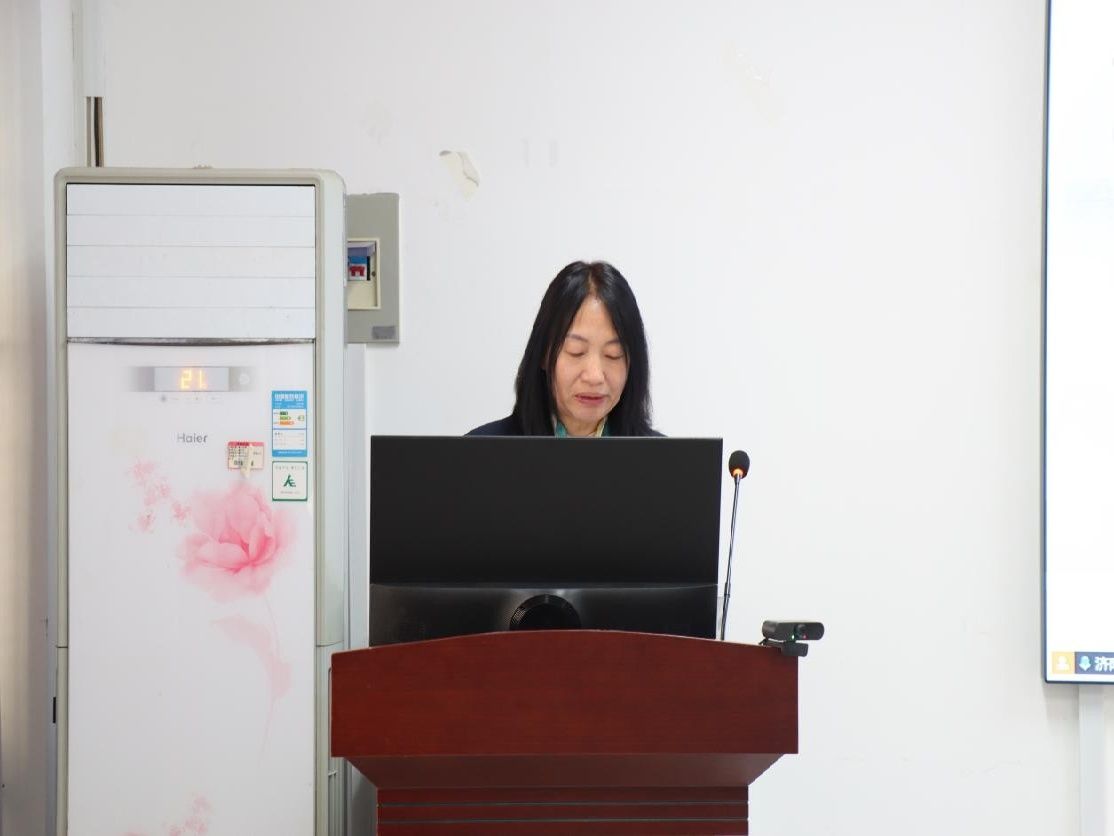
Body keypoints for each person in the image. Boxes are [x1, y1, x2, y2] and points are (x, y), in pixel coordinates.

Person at [468, 260, 659, 436]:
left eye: (613, 355)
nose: (594, 377)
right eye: (576, 351)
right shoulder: (480, 451)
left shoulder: (663, 458)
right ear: (544, 353)